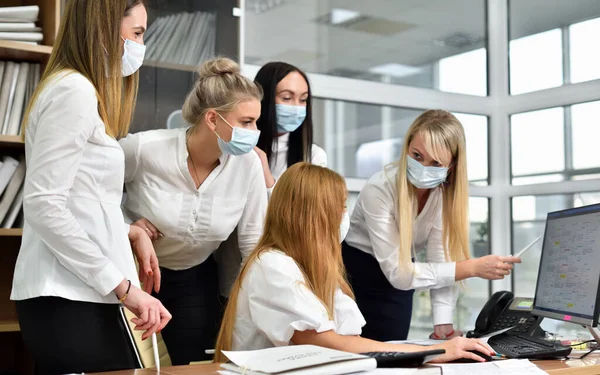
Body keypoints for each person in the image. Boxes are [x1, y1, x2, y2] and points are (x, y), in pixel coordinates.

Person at [11, 1, 171, 374]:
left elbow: (82, 202)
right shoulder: (74, 92)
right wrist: (125, 288)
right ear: (104, 29)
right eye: (137, 33)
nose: (140, 45)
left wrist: (128, 230)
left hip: (76, 292)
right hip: (68, 295)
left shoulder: (74, 90)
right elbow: (44, 205)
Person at [213, 163, 495, 363]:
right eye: (340, 207)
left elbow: (350, 335)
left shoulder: (313, 269)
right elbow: (329, 343)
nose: (343, 216)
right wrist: (437, 351)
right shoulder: (272, 265)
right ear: (314, 218)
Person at [119, 57, 268, 364]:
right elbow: (87, 194)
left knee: (191, 363)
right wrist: (128, 226)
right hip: (129, 274)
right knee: (131, 363)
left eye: (256, 121)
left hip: (193, 279)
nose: (255, 132)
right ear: (212, 119)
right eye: (246, 122)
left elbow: (253, 241)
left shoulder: (248, 164)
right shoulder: (144, 150)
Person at [342, 109, 521, 342]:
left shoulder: (444, 196)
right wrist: (472, 267)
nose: (424, 167)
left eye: (436, 162)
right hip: (357, 274)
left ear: (452, 165)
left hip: (401, 276)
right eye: (417, 155)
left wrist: (443, 324)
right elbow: (399, 273)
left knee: (394, 354)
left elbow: (441, 263)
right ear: (406, 147)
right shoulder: (380, 188)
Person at [253, 62, 327, 188]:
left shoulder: (313, 155)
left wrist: (267, 178)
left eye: (303, 100)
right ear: (263, 99)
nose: (296, 107)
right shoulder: (241, 145)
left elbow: (303, 207)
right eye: (287, 98)